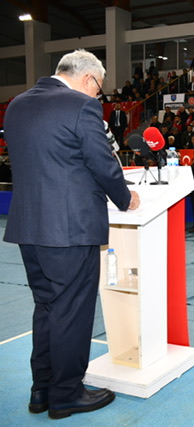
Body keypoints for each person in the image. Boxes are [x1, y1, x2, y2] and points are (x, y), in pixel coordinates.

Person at [3, 49, 140, 419]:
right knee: (72, 311)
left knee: (47, 307)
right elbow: (101, 162)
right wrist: (126, 197)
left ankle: (42, 389)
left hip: (28, 226)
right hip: (70, 228)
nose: (97, 95)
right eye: (98, 89)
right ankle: (66, 393)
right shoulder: (81, 106)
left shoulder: (17, 105)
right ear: (89, 79)